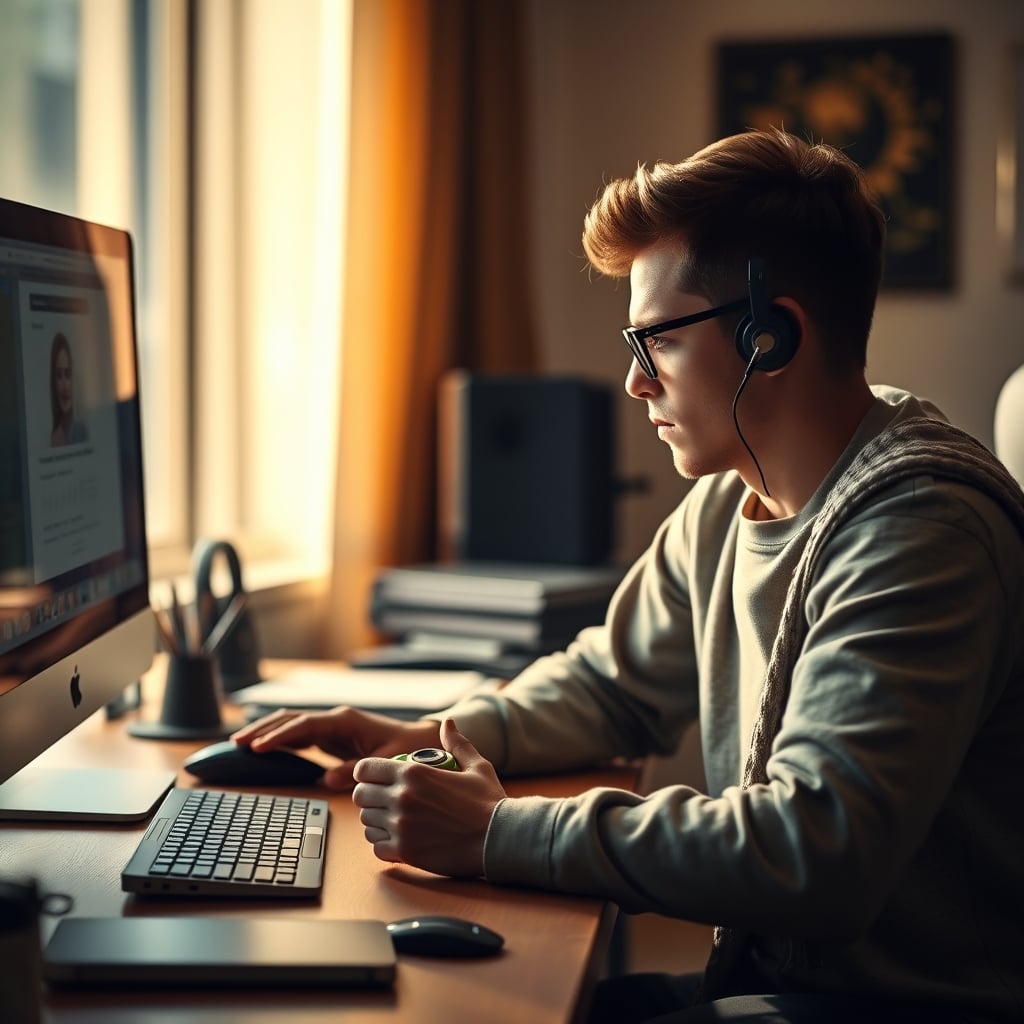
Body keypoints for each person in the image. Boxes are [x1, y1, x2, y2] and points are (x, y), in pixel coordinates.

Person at [233, 128, 1024, 1022]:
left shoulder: (921, 531)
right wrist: (432, 736)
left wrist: (495, 832)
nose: (634, 382)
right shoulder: (730, 500)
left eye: (657, 342)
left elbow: (815, 851)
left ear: (771, 337)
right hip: (787, 989)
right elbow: (611, 686)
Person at [49, 331, 88, 446]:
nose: (65, 386)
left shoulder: (81, 431)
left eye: (68, 374)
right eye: (59, 375)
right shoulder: (55, 438)